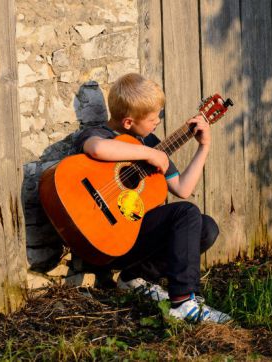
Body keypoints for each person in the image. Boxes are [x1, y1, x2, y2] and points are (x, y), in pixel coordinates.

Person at [75, 73, 231, 324]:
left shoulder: (152, 143)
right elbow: (97, 149)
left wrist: (204, 147)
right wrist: (148, 154)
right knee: (186, 213)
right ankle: (182, 302)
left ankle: (134, 277)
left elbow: (182, 188)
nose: (158, 121)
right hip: (107, 239)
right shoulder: (101, 133)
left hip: (134, 237)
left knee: (206, 227)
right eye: (152, 118)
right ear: (128, 122)